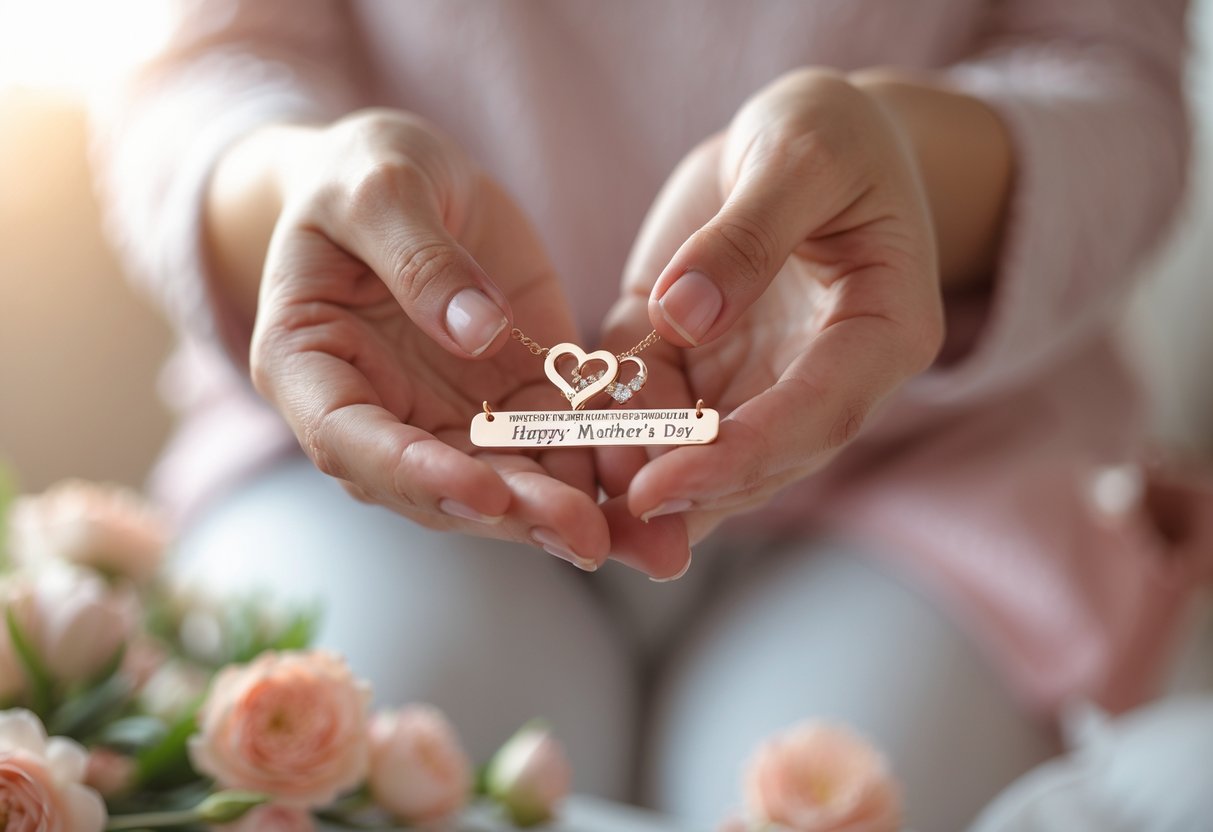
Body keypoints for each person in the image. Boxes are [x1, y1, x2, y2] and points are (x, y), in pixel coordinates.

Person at [91, 1, 1210, 828]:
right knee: (355, 767)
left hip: (932, 472)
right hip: (384, 446)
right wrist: (303, 188)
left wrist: (903, 169)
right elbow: (193, 73)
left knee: (858, 788)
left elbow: (1115, 81)